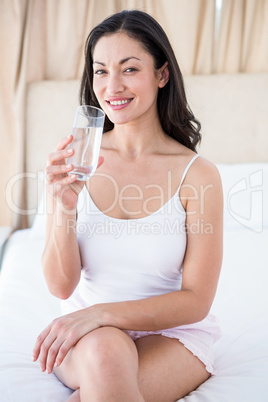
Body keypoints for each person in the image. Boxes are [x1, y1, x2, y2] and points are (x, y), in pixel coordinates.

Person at [32, 9, 223, 402]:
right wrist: (63, 206)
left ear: (162, 75)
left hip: (171, 336)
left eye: (129, 69)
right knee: (106, 350)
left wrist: (102, 314)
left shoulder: (198, 175)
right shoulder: (77, 159)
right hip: (86, 337)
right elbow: (60, 284)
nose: (112, 85)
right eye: (100, 71)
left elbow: (196, 300)